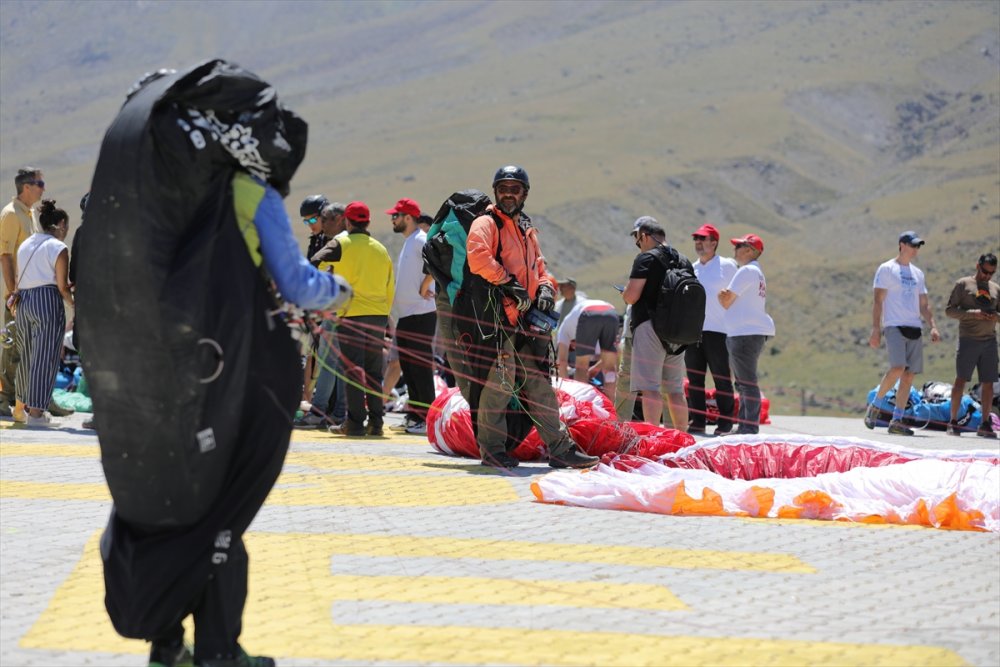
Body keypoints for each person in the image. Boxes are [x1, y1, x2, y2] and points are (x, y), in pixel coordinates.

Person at [78, 60, 351, 667]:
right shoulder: (249, 191)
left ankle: (167, 644)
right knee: (222, 519)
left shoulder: (169, 201)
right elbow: (297, 282)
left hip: (167, 377)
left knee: (177, 506)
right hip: (237, 377)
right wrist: (339, 292)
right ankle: (220, 652)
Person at [465, 165, 598, 469]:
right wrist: (507, 281)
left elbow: (539, 268)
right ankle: (493, 451)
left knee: (538, 385)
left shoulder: (525, 229)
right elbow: (478, 257)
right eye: (503, 188)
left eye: (515, 189)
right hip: (497, 320)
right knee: (501, 383)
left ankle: (560, 448)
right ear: (496, 191)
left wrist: (547, 288)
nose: (508, 194)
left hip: (526, 321)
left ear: (525, 193)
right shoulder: (486, 223)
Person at [315, 201, 395, 437]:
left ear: (347, 222)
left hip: (350, 315)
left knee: (353, 371)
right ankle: (377, 423)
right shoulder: (380, 248)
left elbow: (315, 262)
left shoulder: (341, 243)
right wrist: (383, 313)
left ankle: (355, 423)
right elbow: (389, 285)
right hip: (378, 316)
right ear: (368, 222)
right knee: (373, 372)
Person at [864, 231, 941, 436]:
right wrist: (875, 329)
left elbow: (924, 304)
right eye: (913, 245)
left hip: (914, 326)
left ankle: (897, 420)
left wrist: (932, 325)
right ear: (902, 245)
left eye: (918, 246)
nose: (916, 249)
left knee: (909, 375)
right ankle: (876, 405)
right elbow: (878, 300)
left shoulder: (918, 274)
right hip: (894, 325)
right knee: (898, 367)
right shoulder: (887, 269)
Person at [621, 216, 691, 431]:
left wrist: (625, 293)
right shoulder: (684, 260)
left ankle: (653, 435)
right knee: (675, 390)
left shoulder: (646, 259)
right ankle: (683, 438)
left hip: (649, 328)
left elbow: (631, 297)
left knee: (650, 387)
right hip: (678, 332)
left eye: (637, 238)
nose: (637, 243)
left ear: (645, 235)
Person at [10, 200, 75, 426]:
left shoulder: (26, 244)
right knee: (45, 357)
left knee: (28, 356)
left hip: (24, 302)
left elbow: (20, 278)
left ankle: (23, 409)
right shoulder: (58, 248)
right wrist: (74, 305)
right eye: (65, 227)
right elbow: (62, 287)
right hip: (47, 301)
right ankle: (37, 414)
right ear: (60, 224)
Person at [386, 198, 437, 435]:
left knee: (420, 366)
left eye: (395, 216)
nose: (392, 220)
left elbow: (437, 262)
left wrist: (426, 283)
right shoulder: (410, 241)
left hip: (421, 312)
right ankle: (416, 416)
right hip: (408, 314)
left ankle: (426, 418)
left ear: (407, 217)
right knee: (408, 366)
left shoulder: (420, 239)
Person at [298, 202, 349, 429]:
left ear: (339, 219)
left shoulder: (338, 242)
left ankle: (320, 412)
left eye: (322, 219)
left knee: (328, 361)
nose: (319, 224)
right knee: (337, 363)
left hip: (336, 309)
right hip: (352, 310)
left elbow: (314, 264)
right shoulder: (368, 244)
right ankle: (337, 411)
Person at [718, 234, 775, 435]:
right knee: (744, 381)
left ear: (750, 250)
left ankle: (748, 426)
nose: (735, 250)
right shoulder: (757, 272)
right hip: (749, 332)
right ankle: (745, 424)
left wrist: (721, 294)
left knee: (746, 382)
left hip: (743, 333)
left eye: (740, 246)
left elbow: (725, 300)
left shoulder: (746, 271)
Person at [1, 167, 46, 417]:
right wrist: (12, 293)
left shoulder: (28, 214)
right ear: (26, 187)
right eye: (39, 183)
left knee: (25, 347)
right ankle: (2, 398)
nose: (43, 187)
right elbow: (5, 255)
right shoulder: (10, 215)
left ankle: (25, 398)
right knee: (12, 347)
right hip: (16, 295)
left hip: (29, 293)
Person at [685, 223, 738, 435]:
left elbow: (738, 293)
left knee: (721, 378)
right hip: (694, 332)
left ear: (714, 243)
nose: (698, 242)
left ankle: (725, 423)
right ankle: (697, 421)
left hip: (720, 330)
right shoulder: (691, 267)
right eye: (696, 238)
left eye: (702, 238)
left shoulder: (727, 265)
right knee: (695, 379)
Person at [944, 252, 999, 438]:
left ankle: (985, 423)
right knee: (961, 380)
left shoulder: (995, 289)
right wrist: (973, 314)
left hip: (989, 341)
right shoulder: (963, 284)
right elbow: (950, 310)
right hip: (968, 340)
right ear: (978, 266)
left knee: (988, 383)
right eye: (985, 272)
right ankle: (952, 422)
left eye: (991, 273)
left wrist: (995, 317)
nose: (987, 276)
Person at [555, 298, 619, 402]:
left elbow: (561, 362)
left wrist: (565, 392)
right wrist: (595, 369)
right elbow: (611, 357)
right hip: (611, 313)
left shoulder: (563, 330)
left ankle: (581, 406)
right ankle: (610, 409)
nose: (575, 348)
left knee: (581, 366)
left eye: (572, 348)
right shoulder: (577, 326)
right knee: (610, 369)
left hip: (589, 314)